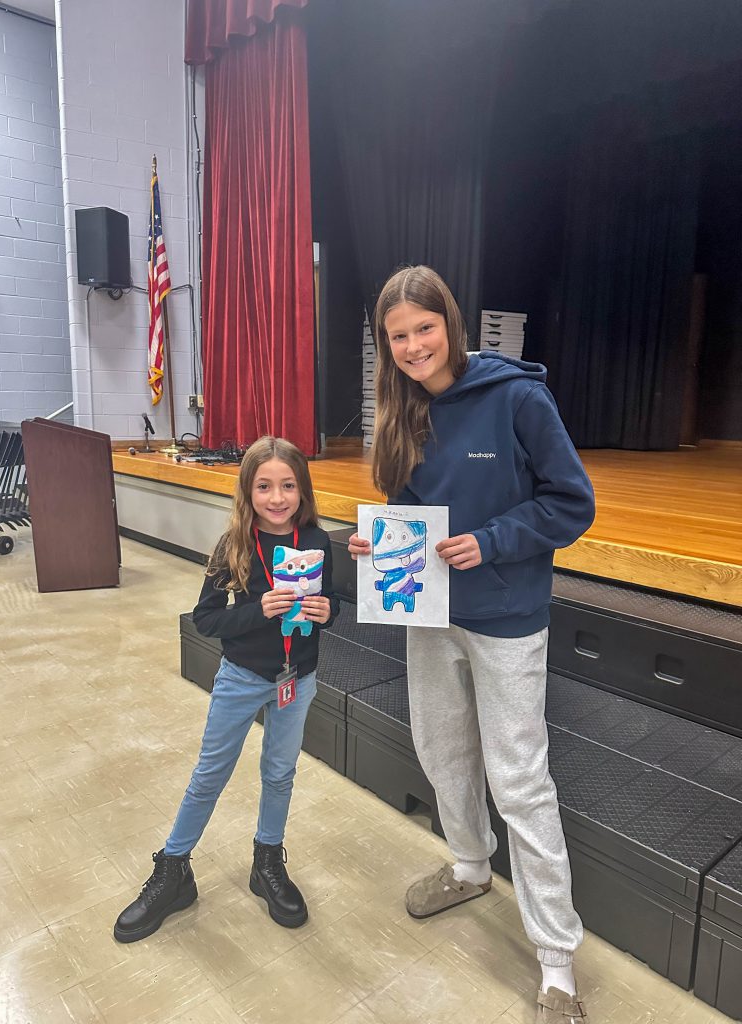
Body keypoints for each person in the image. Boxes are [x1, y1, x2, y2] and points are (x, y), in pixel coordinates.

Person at [349, 266, 594, 1023]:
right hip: (430, 614)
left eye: (425, 328)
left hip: (507, 617)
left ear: (450, 325)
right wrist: (382, 545)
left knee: (519, 781)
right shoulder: (404, 410)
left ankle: (558, 968)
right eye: (399, 336)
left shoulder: (518, 397)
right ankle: (469, 866)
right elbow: (412, 511)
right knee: (442, 748)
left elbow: (570, 502)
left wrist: (489, 543)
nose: (415, 345)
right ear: (387, 348)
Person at [114, 436, 339, 943]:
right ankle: (173, 870)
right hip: (241, 678)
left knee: (279, 773)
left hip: (297, 680)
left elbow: (330, 604)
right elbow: (206, 617)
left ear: (303, 490)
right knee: (210, 773)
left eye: (288, 486)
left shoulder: (318, 542)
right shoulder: (234, 545)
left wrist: (329, 613)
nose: (277, 497)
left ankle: (267, 862)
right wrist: (255, 611)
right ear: (248, 490)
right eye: (265, 486)